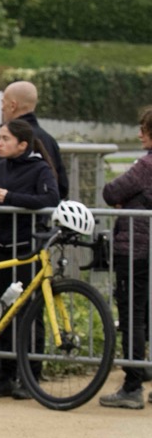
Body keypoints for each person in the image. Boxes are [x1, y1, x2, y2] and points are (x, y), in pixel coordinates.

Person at [0, 118, 61, 399]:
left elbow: (51, 200)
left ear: (22, 144)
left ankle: (30, 375)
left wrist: (10, 197)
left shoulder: (40, 169)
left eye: (5, 138)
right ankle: (2, 374)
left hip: (26, 251)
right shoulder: (0, 167)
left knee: (29, 314)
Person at [98, 106, 152, 409]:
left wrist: (127, 201)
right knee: (147, 314)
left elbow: (110, 192)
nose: (139, 135)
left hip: (135, 250)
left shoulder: (145, 165)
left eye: (143, 130)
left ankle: (132, 385)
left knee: (133, 316)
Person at [1, 80, 67, 200]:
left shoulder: (9, 143)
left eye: (3, 102)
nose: (1, 108)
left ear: (13, 106)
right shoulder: (49, 140)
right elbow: (62, 186)